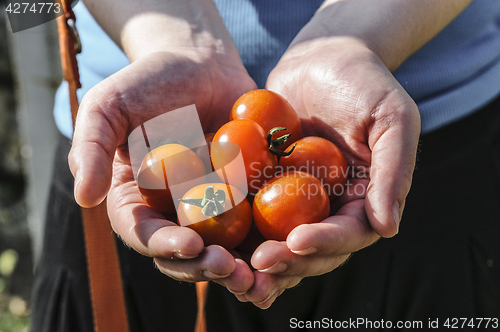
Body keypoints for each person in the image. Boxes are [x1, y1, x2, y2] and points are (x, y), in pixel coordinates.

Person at [31, 0, 500, 331]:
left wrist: (357, 35)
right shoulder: (239, 161)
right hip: (141, 131)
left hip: (421, 148)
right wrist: (172, 38)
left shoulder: (253, 157)